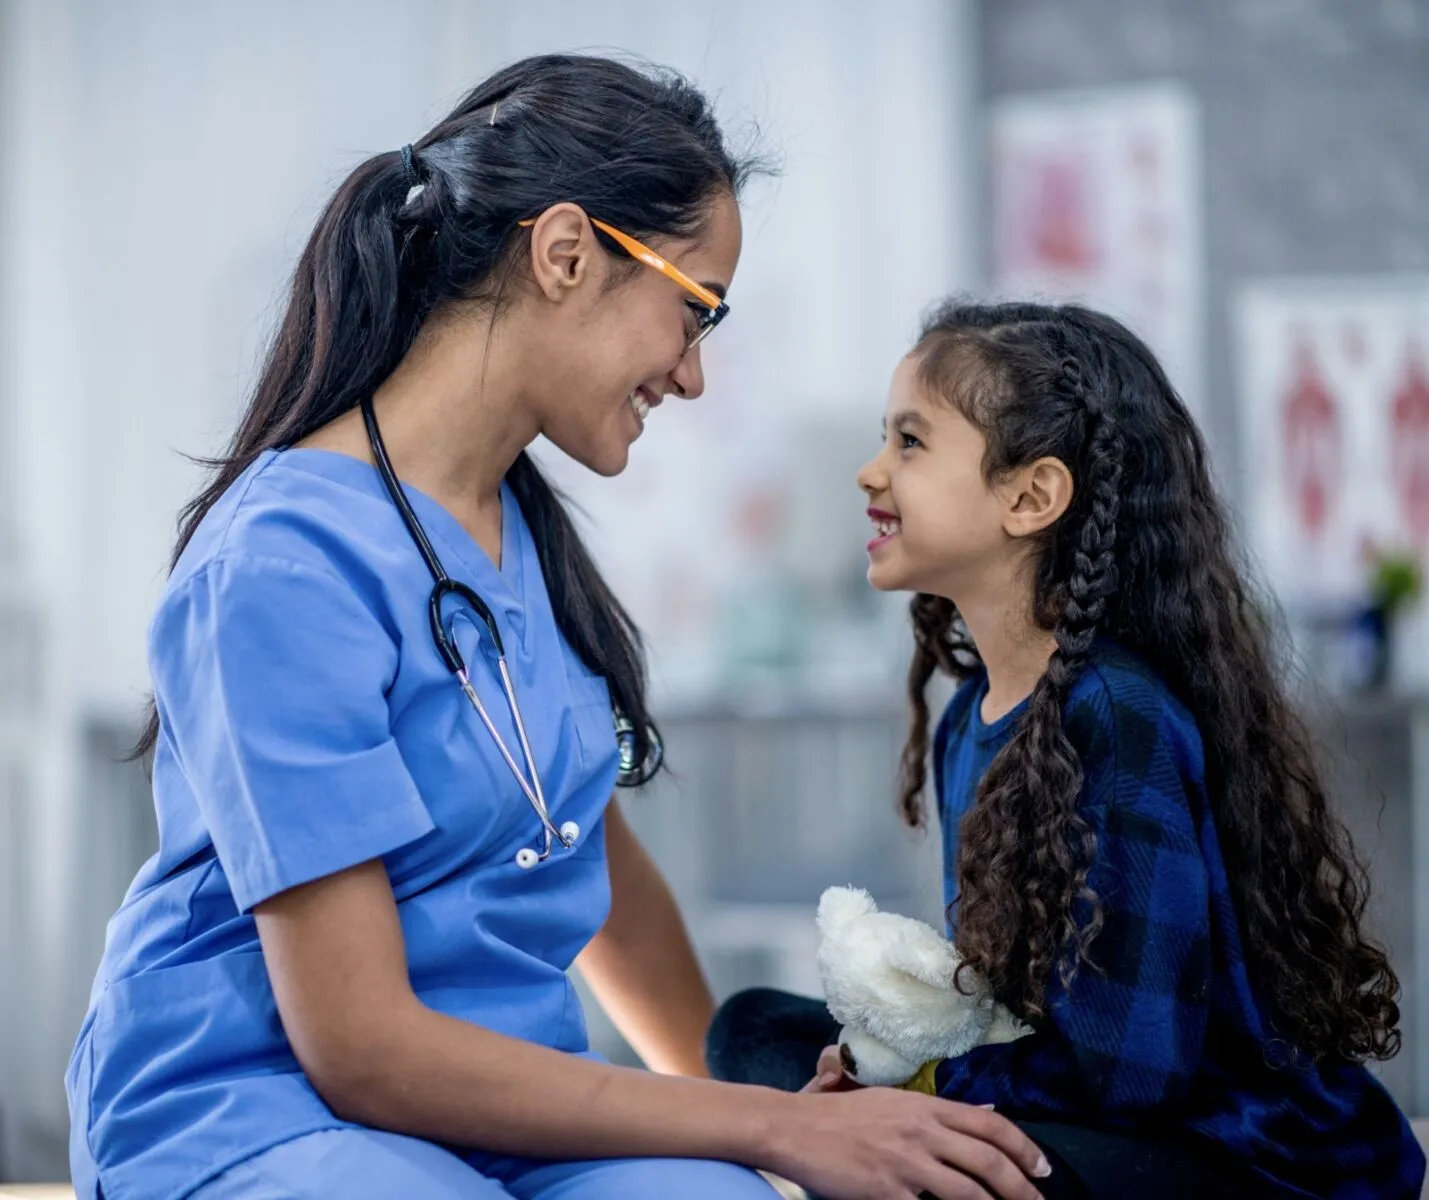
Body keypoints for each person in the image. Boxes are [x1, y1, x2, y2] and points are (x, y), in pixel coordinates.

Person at [65, 58, 1054, 1200]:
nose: (691, 375)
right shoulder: (282, 567)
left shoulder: (522, 538)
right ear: (566, 252)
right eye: (692, 313)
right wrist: (760, 1128)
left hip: (499, 1108)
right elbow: (361, 1047)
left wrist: (786, 1133)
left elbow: (592, 867)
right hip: (260, 1105)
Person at [708, 301, 1427, 1200]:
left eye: (910, 442)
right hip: (1080, 1102)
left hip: (1225, 1150)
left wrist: (909, 1089)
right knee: (749, 1030)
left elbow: (1133, 1075)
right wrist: (867, 1072)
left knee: (935, 1165)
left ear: (1030, 496)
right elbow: (996, 1006)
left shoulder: (1115, 716)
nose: (870, 472)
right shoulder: (968, 717)